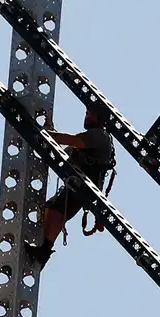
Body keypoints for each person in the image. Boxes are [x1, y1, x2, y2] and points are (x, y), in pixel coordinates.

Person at [23, 104, 116, 270]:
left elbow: (69, 140)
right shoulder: (92, 138)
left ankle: (43, 251)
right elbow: (61, 148)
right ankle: (43, 249)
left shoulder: (99, 136)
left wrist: (43, 133)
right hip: (79, 186)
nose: (86, 116)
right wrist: (49, 130)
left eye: (90, 114)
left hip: (83, 188)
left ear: (98, 119)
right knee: (51, 209)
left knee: (57, 209)